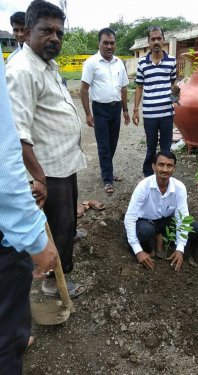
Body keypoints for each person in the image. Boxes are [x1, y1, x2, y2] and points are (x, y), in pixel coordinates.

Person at [6, 0, 87, 298]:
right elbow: (19, 134)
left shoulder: (44, 64)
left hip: (63, 162)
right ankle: (54, 281)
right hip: (49, 169)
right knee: (59, 225)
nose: (55, 38)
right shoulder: (22, 70)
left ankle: (66, 248)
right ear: (27, 32)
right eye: (47, 30)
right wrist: (39, 178)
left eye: (59, 33)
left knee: (68, 222)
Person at [0, 47, 57, 375]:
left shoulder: (47, 68)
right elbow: (5, 154)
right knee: (6, 340)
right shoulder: (21, 69)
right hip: (5, 230)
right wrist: (34, 236)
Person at [124, 150, 198, 271]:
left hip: (166, 221)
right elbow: (130, 217)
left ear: (174, 168)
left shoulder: (179, 188)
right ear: (153, 167)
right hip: (146, 221)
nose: (165, 169)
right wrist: (138, 251)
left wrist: (180, 249)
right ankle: (151, 245)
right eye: (161, 165)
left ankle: (163, 238)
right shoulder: (143, 187)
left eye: (169, 165)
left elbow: (182, 217)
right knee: (145, 232)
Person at [80, 27, 130, 195]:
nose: (109, 46)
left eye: (112, 43)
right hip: (100, 109)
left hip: (116, 109)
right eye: (105, 43)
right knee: (103, 145)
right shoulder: (91, 63)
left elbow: (123, 88)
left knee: (112, 143)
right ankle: (107, 178)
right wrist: (88, 113)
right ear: (99, 43)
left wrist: (125, 110)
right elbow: (83, 89)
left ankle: (107, 171)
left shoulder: (119, 63)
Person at [132, 26, 179, 177]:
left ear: (163, 40)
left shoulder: (171, 61)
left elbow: (173, 87)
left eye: (159, 38)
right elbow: (139, 87)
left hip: (167, 113)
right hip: (150, 114)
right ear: (148, 42)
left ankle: (166, 175)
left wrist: (175, 99)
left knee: (166, 148)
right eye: (153, 39)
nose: (156, 41)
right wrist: (135, 110)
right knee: (151, 147)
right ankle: (148, 175)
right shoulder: (142, 63)